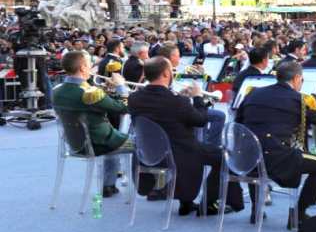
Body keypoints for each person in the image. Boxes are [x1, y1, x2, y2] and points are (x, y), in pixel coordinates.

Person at [236, 61, 316, 226]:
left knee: (258, 149)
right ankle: (299, 213)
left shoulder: (252, 93)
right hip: (276, 158)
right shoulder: (300, 100)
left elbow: (238, 124)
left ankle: (256, 210)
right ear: (296, 78)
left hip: (247, 157)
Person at [128, 57, 244, 215]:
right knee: (225, 156)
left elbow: (166, 112)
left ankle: (187, 203)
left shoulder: (134, 98)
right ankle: (209, 204)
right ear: (165, 74)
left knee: (188, 144)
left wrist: (182, 99)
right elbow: (201, 120)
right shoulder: (176, 102)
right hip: (180, 153)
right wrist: (197, 98)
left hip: (150, 154)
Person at [52, 51, 133, 197]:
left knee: (113, 140)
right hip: (101, 143)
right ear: (82, 68)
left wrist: (105, 92)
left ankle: (108, 186)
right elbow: (124, 108)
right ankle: (156, 187)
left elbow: (86, 102)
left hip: (76, 145)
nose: (91, 68)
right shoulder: (90, 93)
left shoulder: (57, 91)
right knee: (144, 145)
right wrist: (121, 86)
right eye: (90, 65)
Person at [159, 42, 226, 147]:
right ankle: (209, 147)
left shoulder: (167, 70)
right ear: (171, 57)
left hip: (179, 104)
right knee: (216, 116)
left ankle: (206, 145)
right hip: (178, 108)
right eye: (178, 55)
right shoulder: (166, 72)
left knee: (206, 112)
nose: (180, 58)